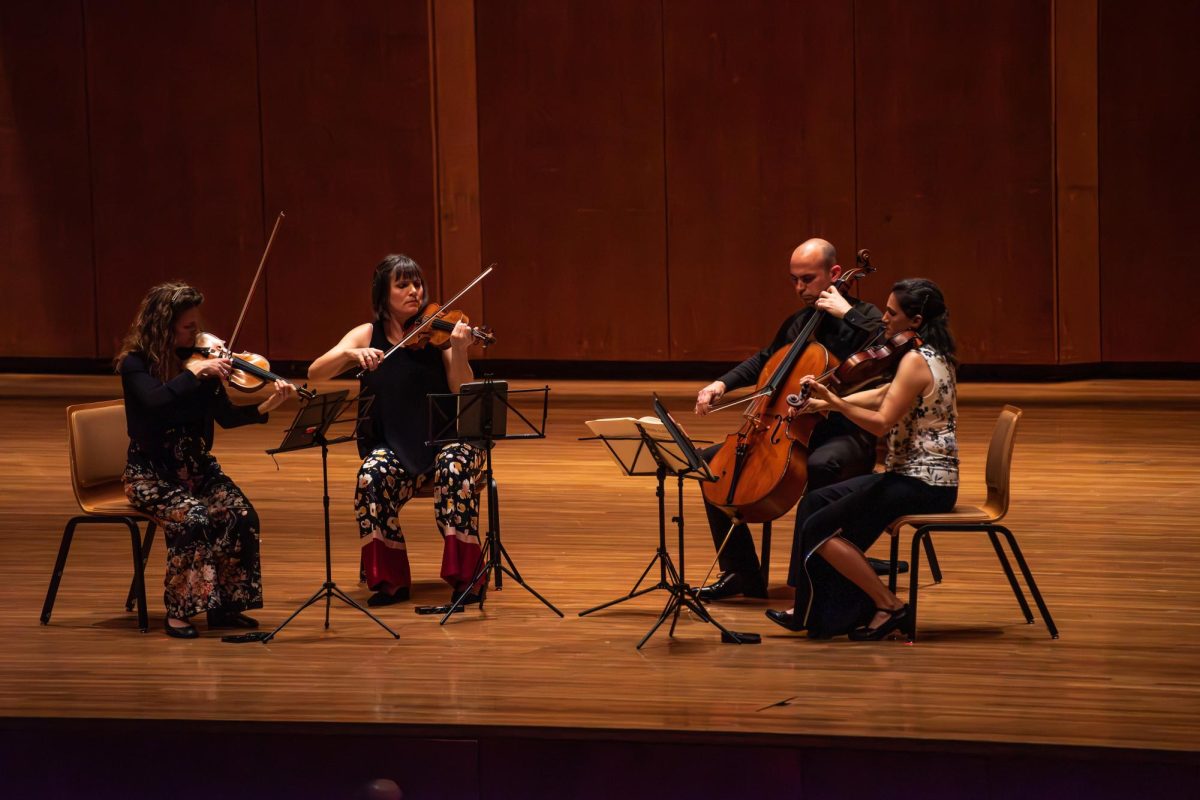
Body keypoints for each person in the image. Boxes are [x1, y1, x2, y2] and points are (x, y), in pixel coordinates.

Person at [765, 278, 958, 640]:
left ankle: (889, 606)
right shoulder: (933, 353)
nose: (883, 318)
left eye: (891, 313)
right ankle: (813, 610)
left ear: (914, 321)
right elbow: (886, 392)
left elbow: (883, 419)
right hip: (920, 478)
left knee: (819, 529)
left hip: (921, 484)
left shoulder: (916, 360)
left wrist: (836, 403)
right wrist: (825, 402)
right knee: (818, 500)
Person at [693, 238, 883, 601]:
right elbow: (766, 359)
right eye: (794, 280)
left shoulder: (866, 318)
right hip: (786, 428)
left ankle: (809, 577)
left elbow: (893, 341)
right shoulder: (799, 323)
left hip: (845, 431)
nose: (800, 288)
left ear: (835, 274)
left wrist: (848, 315)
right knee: (709, 463)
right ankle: (741, 573)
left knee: (821, 465)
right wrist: (721, 384)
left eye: (808, 279)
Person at [117, 282, 296, 638]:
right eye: (188, 328)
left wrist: (265, 408)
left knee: (240, 513)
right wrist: (193, 374)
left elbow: (226, 418)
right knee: (193, 517)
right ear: (164, 327)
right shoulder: (135, 365)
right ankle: (180, 612)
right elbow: (155, 402)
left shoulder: (204, 368)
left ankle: (225, 607)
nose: (197, 334)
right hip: (151, 477)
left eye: (196, 326)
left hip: (199, 472)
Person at [308, 254, 485, 609]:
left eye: (417, 283)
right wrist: (351, 355)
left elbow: (462, 391)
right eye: (402, 284)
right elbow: (315, 373)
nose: (413, 291)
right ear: (382, 293)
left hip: (447, 441)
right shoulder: (366, 334)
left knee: (453, 468)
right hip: (395, 444)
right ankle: (389, 581)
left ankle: (467, 578)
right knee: (370, 477)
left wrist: (461, 350)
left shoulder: (442, 335)